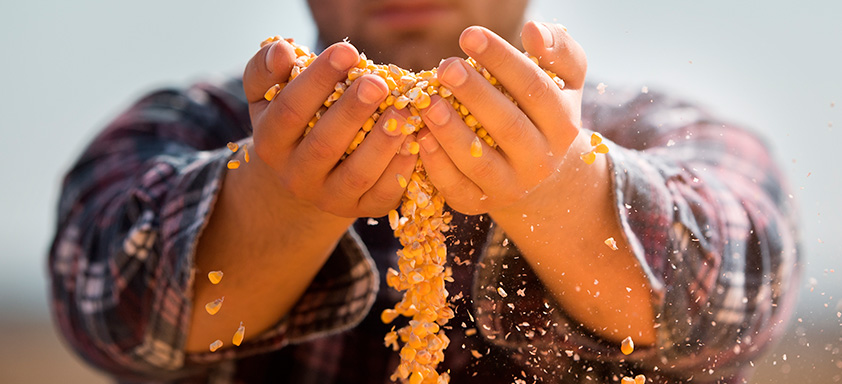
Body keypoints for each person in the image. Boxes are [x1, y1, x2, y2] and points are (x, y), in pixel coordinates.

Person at [48, 0, 800, 383]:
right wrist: (281, 199)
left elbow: (740, 286)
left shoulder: (651, 128)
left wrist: (564, 189)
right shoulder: (194, 126)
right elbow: (109, 301)